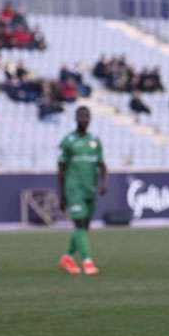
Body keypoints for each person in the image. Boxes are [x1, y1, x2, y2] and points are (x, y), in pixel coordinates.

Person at [57, 106, 108, 275]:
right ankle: (87, 262)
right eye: (81, 116)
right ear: (76, 118)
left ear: (90, 119)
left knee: (84, 226)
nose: (84, 119)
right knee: (79, 223)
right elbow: (61, 169)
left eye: (87, 116)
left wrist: (104, 183)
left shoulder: (95, 141)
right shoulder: (68, 141)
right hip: (73, 189)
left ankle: (67, 257)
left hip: (90, 189)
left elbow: (102, 165)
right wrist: (62, 195)